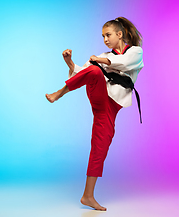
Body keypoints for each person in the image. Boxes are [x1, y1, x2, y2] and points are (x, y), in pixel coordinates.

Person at [45, 17, 144, 211]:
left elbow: (124, 63)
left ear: (120, 34)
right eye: (103, 36)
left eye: (108, 35)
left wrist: (100, 60)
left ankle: (87, 196)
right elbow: (84, 72)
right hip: (99, 95)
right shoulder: (102, 55)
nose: (105, 39)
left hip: (112, 106)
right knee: (94, 72)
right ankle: (59, 93)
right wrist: (70, 63)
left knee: (101, 146)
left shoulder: (135, 52)